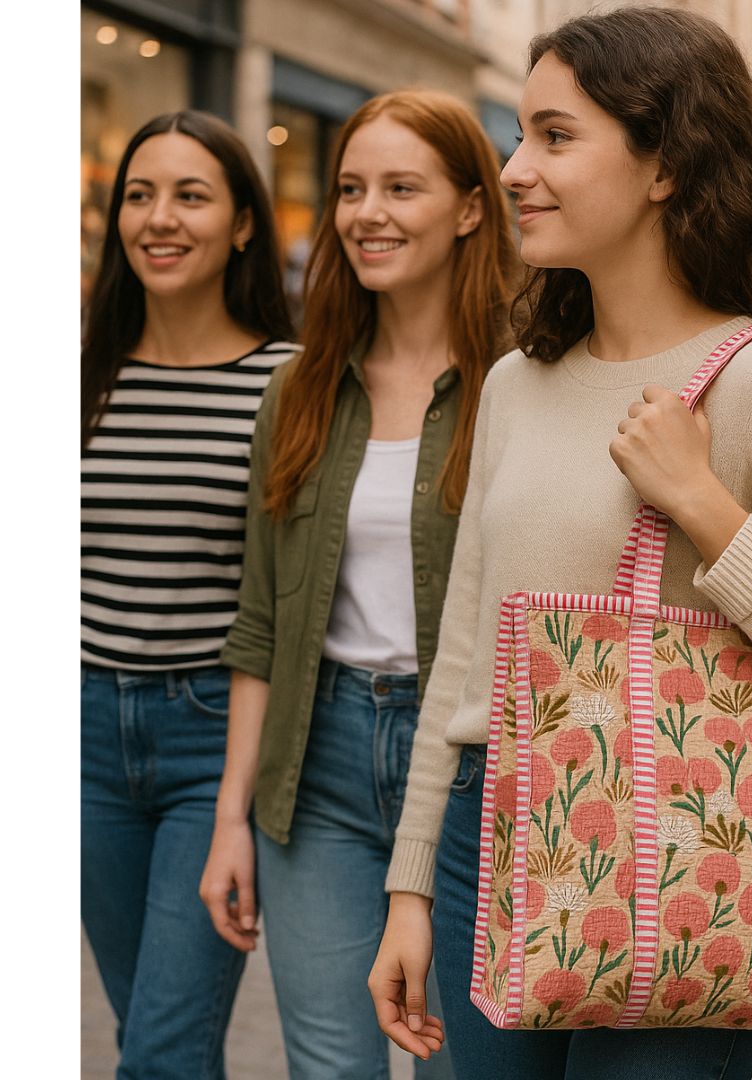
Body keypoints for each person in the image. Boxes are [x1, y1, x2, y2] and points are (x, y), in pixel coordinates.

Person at [368, 9, 752, 1080]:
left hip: (685, 842)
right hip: (496, 836)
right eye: (520, 136)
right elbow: (464, 661)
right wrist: (412, 886)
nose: (517, 169)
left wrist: (704, 506)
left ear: (665, 166)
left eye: (556, 138)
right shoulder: (519, 382)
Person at [200, 89, 517, 1080]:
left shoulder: (522, 380)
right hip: (319, 764)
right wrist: (230, 824)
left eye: (400, 187)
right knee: (331, 1067)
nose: (366, 212)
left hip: (475, 767)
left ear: (470, 206)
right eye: (349, 189)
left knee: (462, 1063)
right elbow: (260, 623)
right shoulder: (299, 389)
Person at [81, 110, 296, 1079]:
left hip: (211, 737)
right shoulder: (79, 376)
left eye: (191, 195)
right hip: (80, 735)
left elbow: (287, 602)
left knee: (162, 1052)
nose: (158, 219)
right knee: (149, 1039)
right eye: (139, 194)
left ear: (243, 225)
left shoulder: (286, 384)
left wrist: (237, 802)